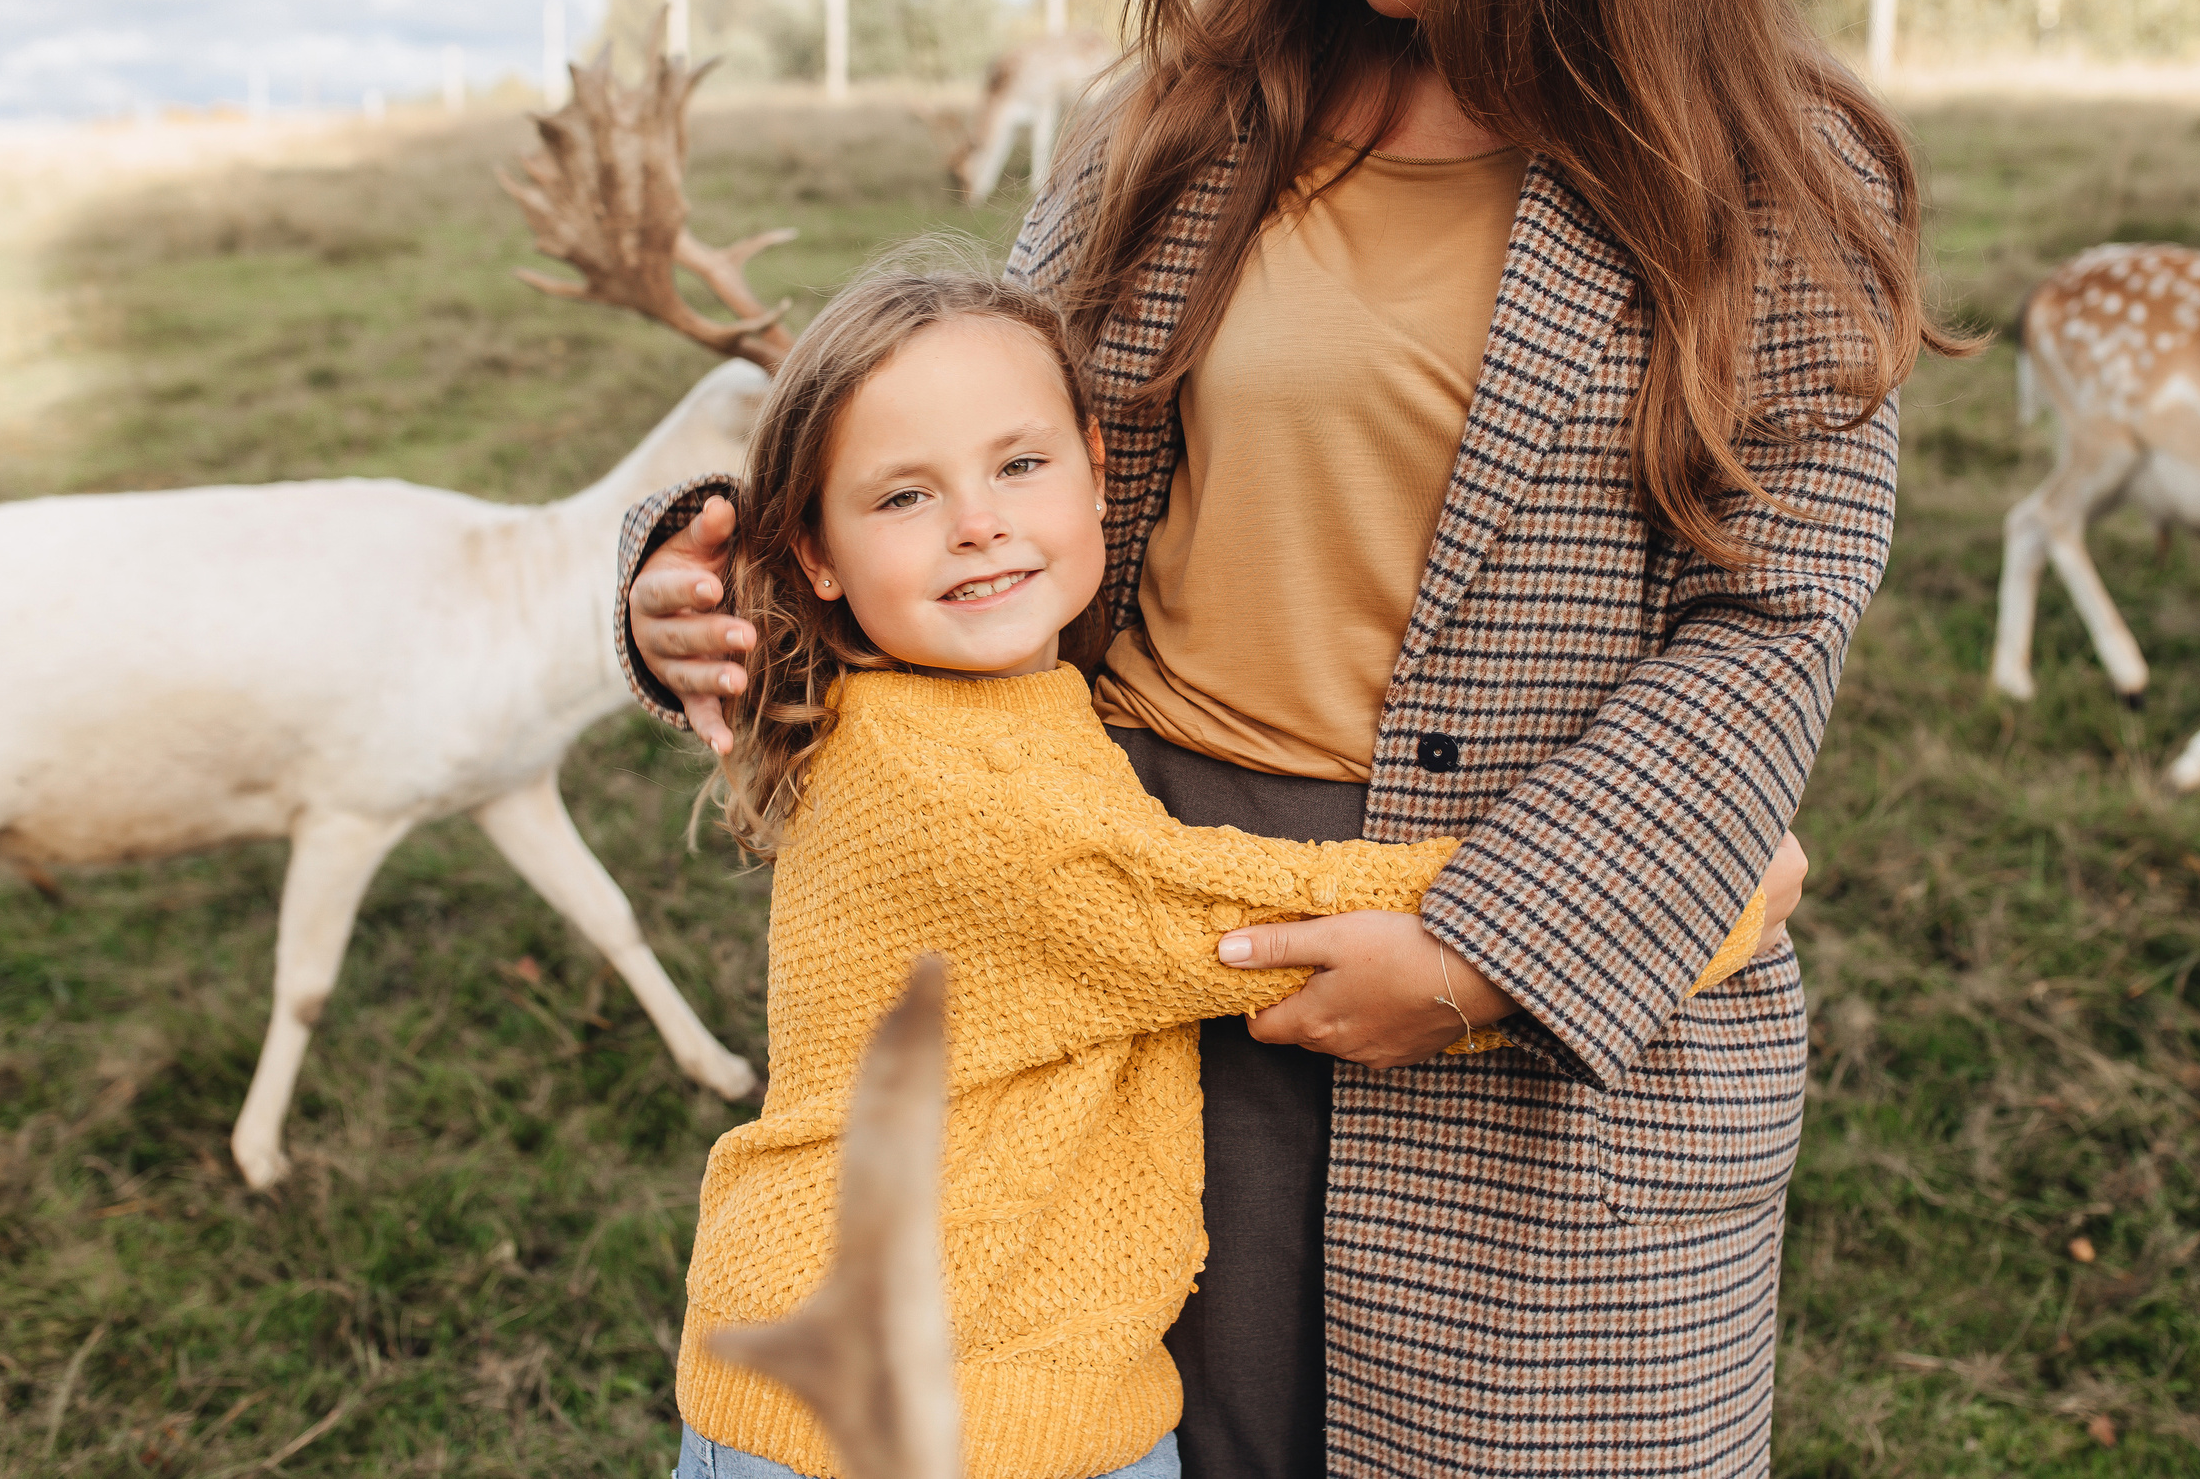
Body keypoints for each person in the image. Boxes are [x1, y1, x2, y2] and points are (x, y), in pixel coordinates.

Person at [627, 0, 1958, 1471]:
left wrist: (1501, 947)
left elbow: (1770, 626)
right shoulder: (1191, 114)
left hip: (1560, 951)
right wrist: (699, 566)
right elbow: (968, 430)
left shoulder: (1773, 170)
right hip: (1153, 945)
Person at [665, 252, 1784, 1479]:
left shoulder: (960, 705)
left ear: (1101, 469)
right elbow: (1280, 918)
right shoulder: (956, 797)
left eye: (1018, 465)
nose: (978, 520)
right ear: (815, 555)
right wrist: (1698, 882)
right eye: (902, 499)